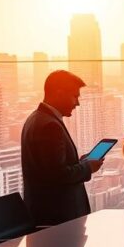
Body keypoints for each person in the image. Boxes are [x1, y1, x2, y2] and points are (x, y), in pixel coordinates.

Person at [21, 70, 101, 226]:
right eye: (75, 96)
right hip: (57, 217)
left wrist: (80, 163)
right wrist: (87, 167)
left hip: (48, 214)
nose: (77, 103)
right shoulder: (50, 126)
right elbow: (58, 175)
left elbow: (50, 169)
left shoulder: (35, 119)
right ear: (59, 93)